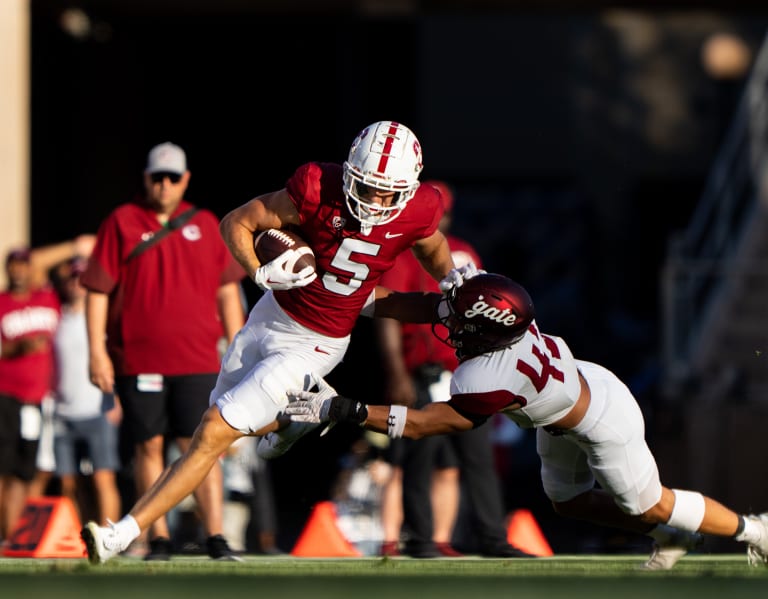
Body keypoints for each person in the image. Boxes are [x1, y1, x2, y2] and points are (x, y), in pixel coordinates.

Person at [80, 120, 456, 565]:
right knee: (213, 431)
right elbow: (236, 222)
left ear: (407, 190)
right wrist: (259, 271)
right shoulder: (317, 186)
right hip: (272, 313)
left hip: (316, 342)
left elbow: (430, 245)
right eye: (365, 186)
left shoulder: (418, 209)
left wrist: (450, 281)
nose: (373, 201)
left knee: (214, 432)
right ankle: (296, 418)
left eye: (385, 192)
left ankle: (120, 535)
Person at [286, 270, 768, 570]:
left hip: (601, 420)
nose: (450, 327)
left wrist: (344, 409)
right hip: (568, 401)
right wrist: (347, 295)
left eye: (460, 324)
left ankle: (754, 530)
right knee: (569, 503)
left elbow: (424, 423)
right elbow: (427, 305)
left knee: (652, 503)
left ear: (487, 333)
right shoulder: (511, 318)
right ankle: (670, 539)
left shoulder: (483, 377)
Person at [79, 142, 246, 561]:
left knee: (204, 446)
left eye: (173, 177)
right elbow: (97, 290)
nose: (165, 185)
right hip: (140, 359)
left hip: (199, 360)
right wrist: (96, 351)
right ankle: (157, 537)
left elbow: (229, 293)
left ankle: (216, 535)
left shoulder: (207, 223)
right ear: (146, 179)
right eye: (158, 177)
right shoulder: (121, 221)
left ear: (186, 179)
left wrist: (241, 350)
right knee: (148, 447)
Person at [375, 180, 526, 558]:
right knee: (420, 456)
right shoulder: (403, 253)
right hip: (423, 370)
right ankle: (421, 539)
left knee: (477, 458)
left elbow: (490, 311)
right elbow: (389, 313)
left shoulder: (464, 252)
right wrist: (397, 373)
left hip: (466, 370)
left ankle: (492, 538)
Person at [0, 237, 94, 541]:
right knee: (5, 469)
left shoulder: (47, 298)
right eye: (13, 265)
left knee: (28, 472)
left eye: (23, 265)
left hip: (40, 401)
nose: (19, 271)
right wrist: (16, 348)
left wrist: (74, 248)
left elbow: (42, 261)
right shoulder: (2, 302)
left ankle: (14, 537)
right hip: (7, 397)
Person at [50, 256, 122, 526]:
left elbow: (114, 358)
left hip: (97, 408)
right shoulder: (56, 318)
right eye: (72, 278)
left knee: (103, 477)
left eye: (82, 278)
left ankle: (109, 535)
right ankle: (77, 536)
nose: (76, 284)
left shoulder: (102, 317)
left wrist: (115, 398)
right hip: (63, 411)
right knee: (68, 481)